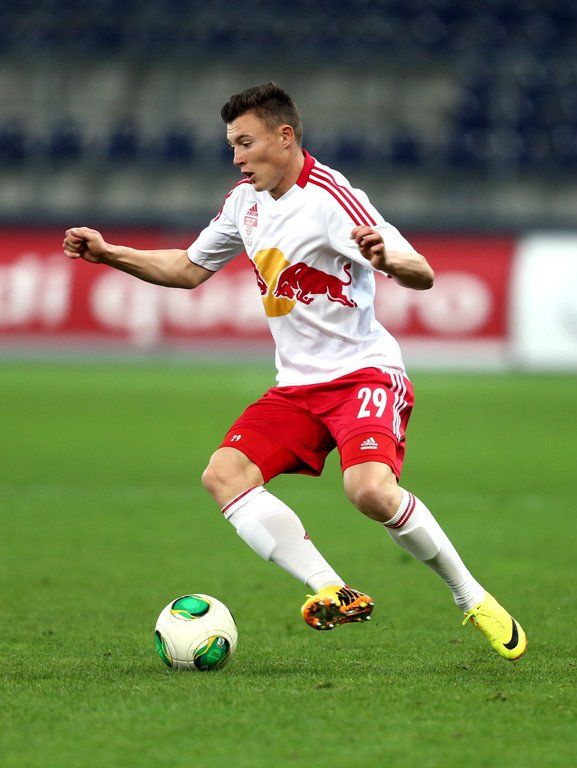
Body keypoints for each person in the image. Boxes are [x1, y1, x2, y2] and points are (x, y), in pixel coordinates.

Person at [63, 82, 526, 660]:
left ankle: (471, 596)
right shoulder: (244, 203)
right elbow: (186, 268)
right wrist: (110, 253)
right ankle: (332, 588)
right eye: (232, 146)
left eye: (245, 143)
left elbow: (423, 272)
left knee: (369, 491)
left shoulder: (332, 197)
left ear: (284, 137)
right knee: (224, 475)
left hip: (362, 375)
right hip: (298, 387)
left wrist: (386, 257)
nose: (237, 158)